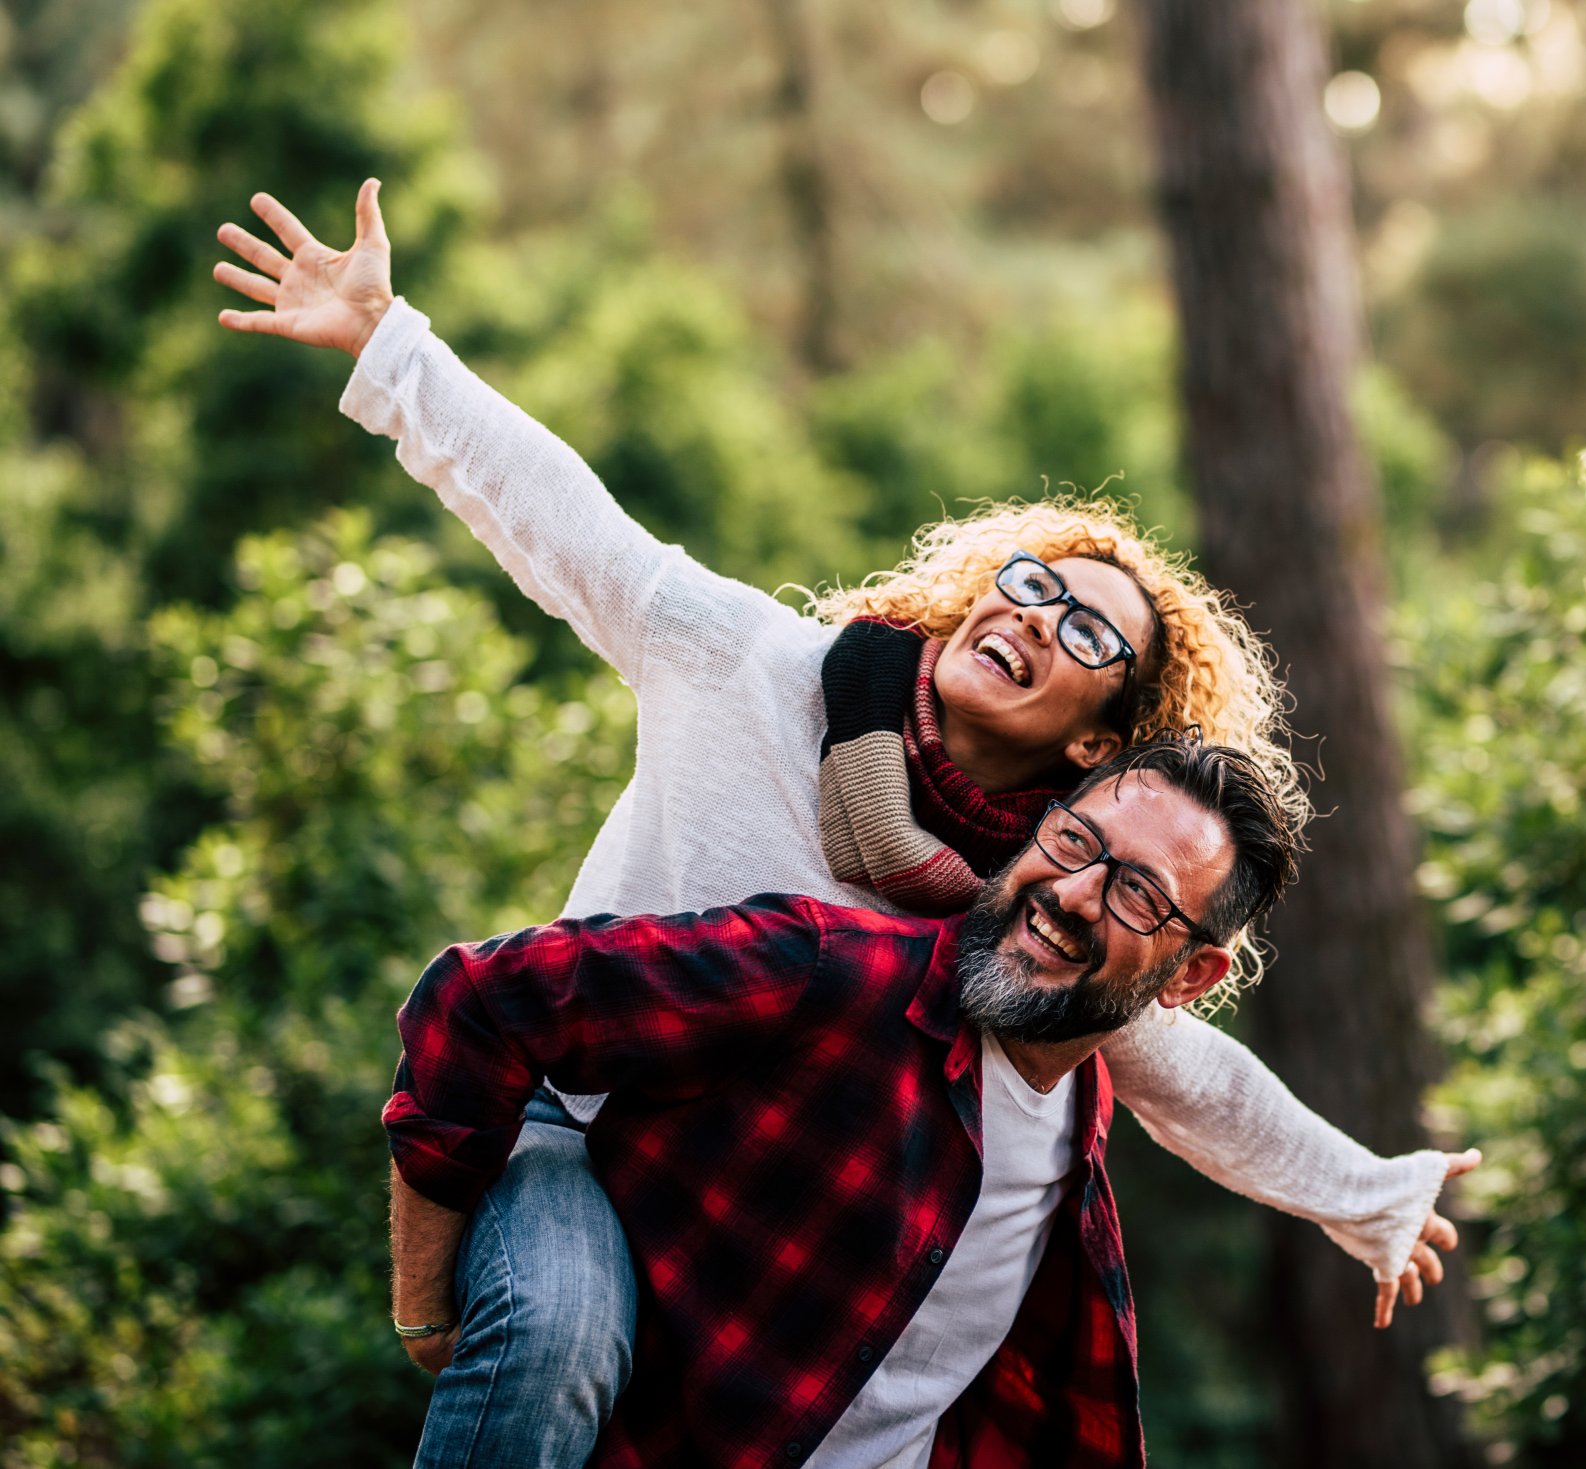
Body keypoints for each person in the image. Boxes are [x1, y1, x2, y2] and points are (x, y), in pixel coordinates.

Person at [216, 181, 1473, 1469]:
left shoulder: (1046, 893)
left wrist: (1366, 1194)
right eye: (1030, 584)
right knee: (559, 1326)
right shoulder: (756, 667)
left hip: (734, 1205)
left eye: (1086, 631)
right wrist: (388, 342)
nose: (1038, 616)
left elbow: (1181, 1071)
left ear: (1100, 739)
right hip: (581, 1114)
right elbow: (562, 521)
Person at [388, 739, 1329, 1468]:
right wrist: (427, 1311)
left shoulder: (1080, 1124)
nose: (1076, 893)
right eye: (1077, 841)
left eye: (1137, 895)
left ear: (1191, 975)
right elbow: (480, 997)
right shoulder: (833, 971)